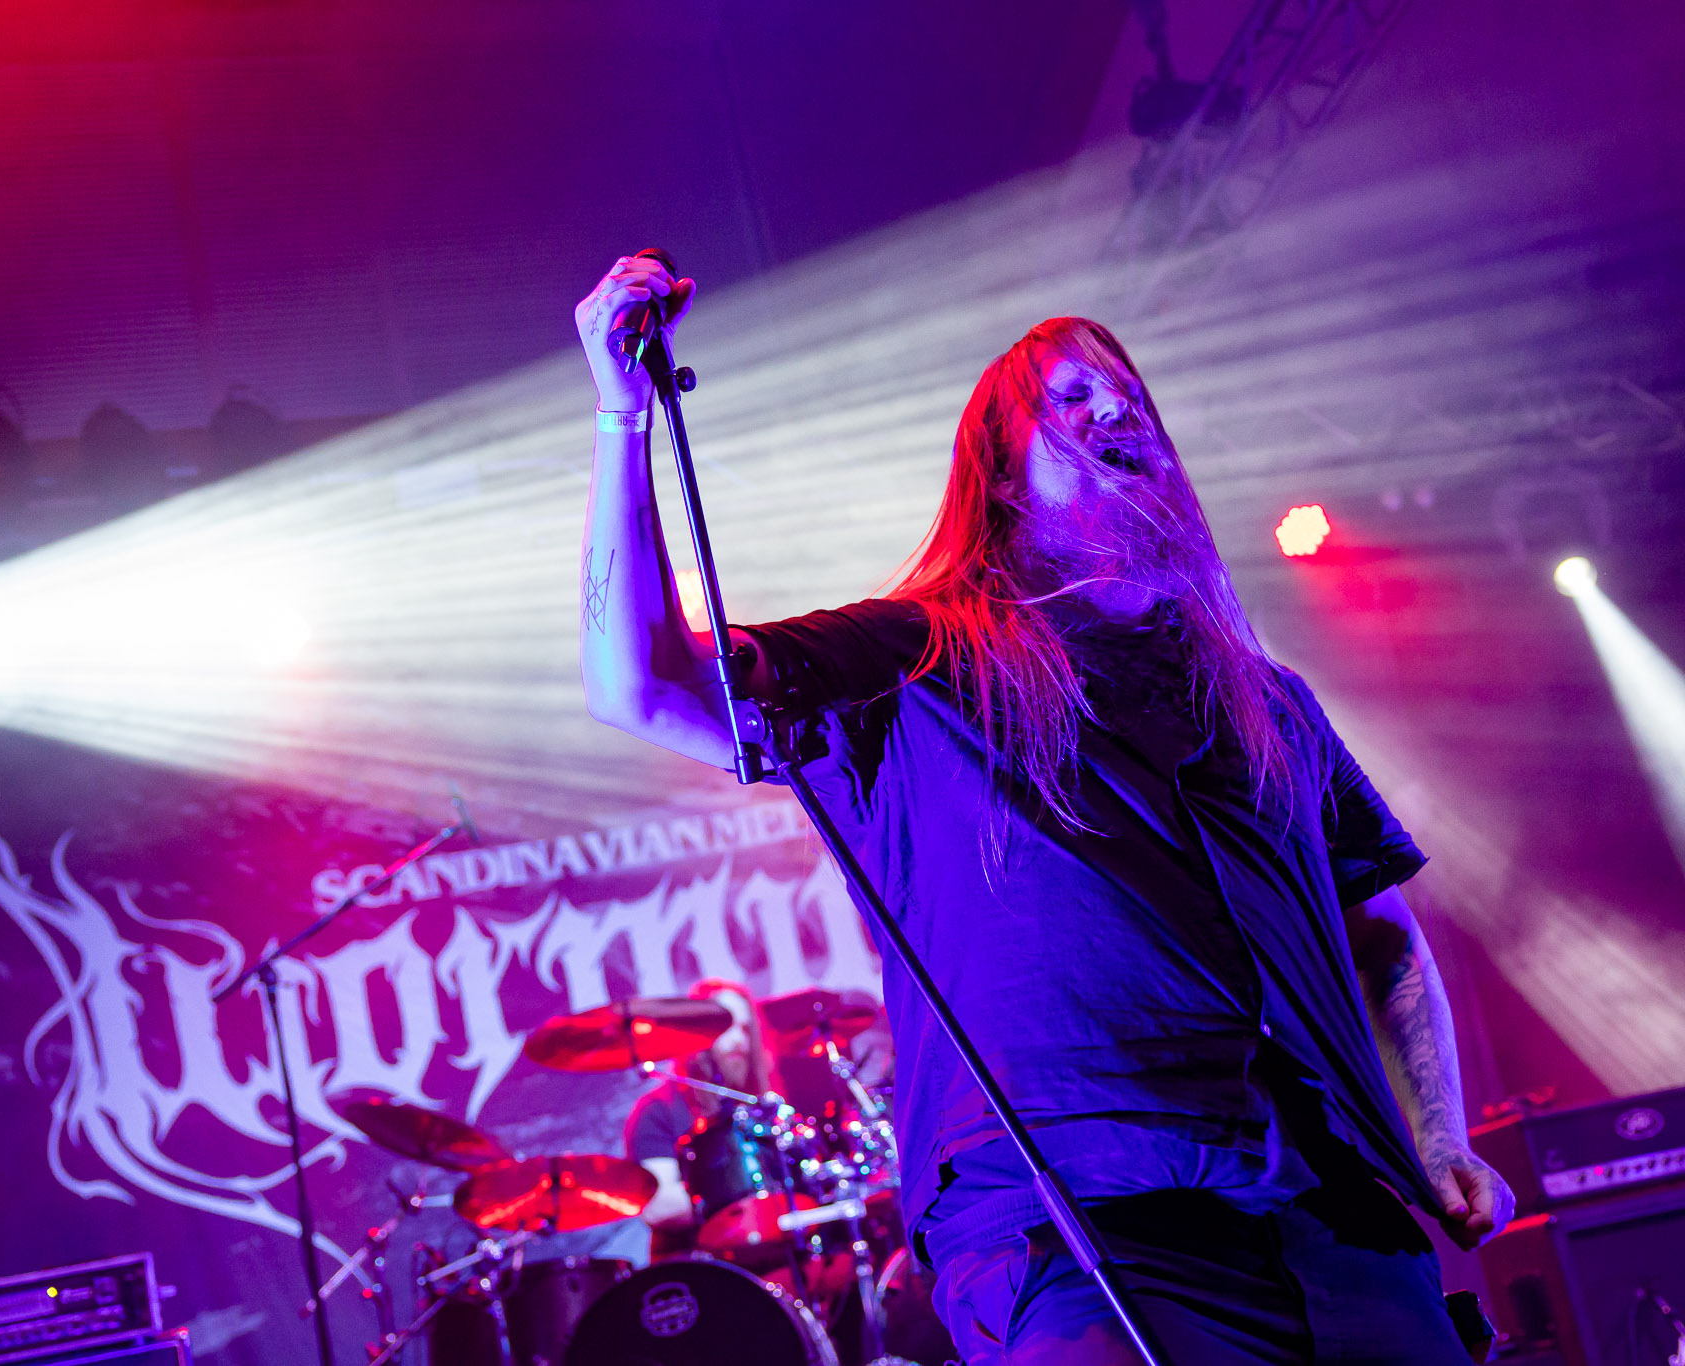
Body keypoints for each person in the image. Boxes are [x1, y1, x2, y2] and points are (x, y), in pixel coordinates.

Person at [571, 254, 1514, 1365]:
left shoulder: (1265, 700)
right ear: (1004, 477)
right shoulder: (916, 659)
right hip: (1076, 1223)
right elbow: (640, 683)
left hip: (1333, 1214)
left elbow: (1381, 934)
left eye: (1129, 397)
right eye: (1070, 397)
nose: (1115, 409)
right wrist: (621, 419)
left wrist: (1439, 1135)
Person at [623, 979, 781, 1253]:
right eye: (726, 1027)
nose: (738, 1040)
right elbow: (657, 1206)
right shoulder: (656, 1111)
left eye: (745, 1029)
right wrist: (736, 1192)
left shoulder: (762, 1105)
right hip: (701, 1265)